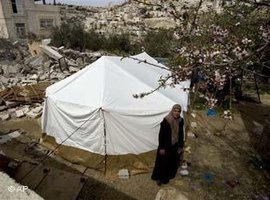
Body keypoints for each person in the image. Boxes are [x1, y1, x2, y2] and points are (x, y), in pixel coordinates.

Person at [151, 104, 185, 186]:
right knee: (162, 162)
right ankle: (159, 178)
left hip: (175, 145)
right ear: (172, 111)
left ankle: (168, 176)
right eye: (175, 111)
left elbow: (181, 134)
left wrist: (180, 146)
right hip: (165, 145)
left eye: (178, 111)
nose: (176, 113)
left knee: (171, 162)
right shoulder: (166, 120)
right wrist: (162, 148)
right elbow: (161, 135)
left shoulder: (181, 120)